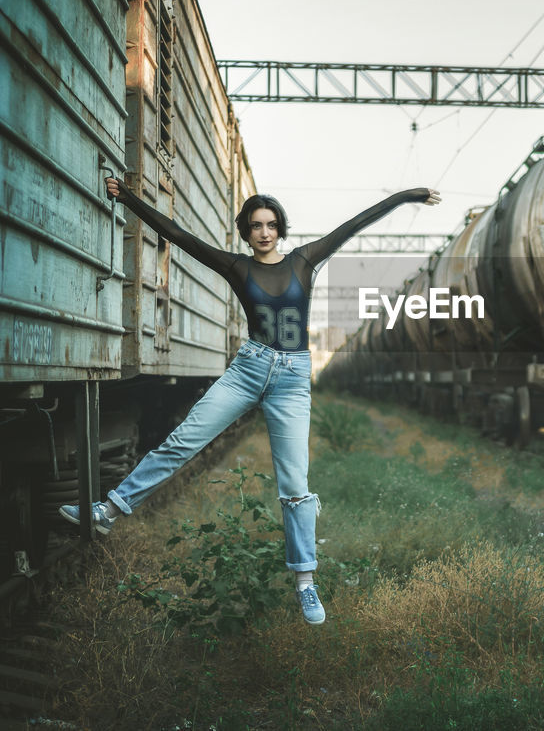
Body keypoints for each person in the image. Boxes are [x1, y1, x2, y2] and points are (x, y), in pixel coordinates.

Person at [60, 177, 441, 625]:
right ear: (246, 231)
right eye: (256, 225)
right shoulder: (238, 267)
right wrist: (127, 199)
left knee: (295, 485)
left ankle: (305, 583)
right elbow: (180, 237)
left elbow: (355, 224)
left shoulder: (305, 260)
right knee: (182, 441)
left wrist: (406, 196)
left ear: (280, 229)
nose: (265, 232)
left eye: (272, 224)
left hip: (293, 379)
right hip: (248, 371)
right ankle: (110, 508)